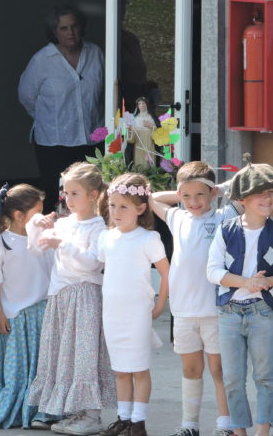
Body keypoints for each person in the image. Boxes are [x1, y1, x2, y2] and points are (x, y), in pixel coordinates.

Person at [26, 162, 116, 435]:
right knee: (65, 355)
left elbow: (92, 263)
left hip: (84, 295)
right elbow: (35, 249)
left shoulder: (99, 227)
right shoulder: (63, 223)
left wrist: (62, 244)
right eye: (66, 193)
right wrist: (35, 225)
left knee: (84, 355)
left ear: (93, 195)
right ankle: (73, 411)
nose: (68, 199)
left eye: (75, 193)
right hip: (61, 296)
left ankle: (91, 414)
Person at [151, 162, 238, 436]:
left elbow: (244, 185)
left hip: (216, 309)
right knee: (190, 369)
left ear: (213, 194)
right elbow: (152, 198)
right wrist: (181, 192)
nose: (193, 202)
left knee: (219, 369)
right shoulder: (178, 218)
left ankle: (226, 424)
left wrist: (220, 188)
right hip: (184, 310)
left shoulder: (225, 216)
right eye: (186, 196)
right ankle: (190, 424)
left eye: (200, 195)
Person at [97, 173, 170, 436]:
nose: (116, 211)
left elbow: (165, 271)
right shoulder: (106, 237)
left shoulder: (147, 239)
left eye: (124, 206)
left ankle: (138, 421)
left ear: (140, 208)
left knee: (138, 367)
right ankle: (123, 418)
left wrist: (161, 304)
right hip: (112, 313)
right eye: (112, 205)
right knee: (120, 369)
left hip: (137, 312)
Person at [206, 161, 273, 436]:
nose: (267, 198)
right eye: (260, 193)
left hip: (263, 312)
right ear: (242, 199)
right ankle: (239, 431)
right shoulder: (226, 229)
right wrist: (247, 282)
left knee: (265, 377)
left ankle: (262, 431)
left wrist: (265, 282)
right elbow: (212, 271)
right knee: (232, 378)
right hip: (229, 313)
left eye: (270, 192)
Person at [0, 184, 56, 429]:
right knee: (15, 373)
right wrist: (0, 315)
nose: (43, 217)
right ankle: (13, 412)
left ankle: (39, 413)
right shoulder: (1, 243)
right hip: (13, 317)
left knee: (40, 369)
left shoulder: (44, 240)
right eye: (38, 212)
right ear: (18, 215)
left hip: (41, 314)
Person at [18, 4, 105, 213]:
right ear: (54, 32)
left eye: (74, 27)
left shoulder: (95, 53)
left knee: (91, 194)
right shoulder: (42, 60)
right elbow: (26, 97)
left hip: (90, 138)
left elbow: (107, 91)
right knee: (56, 196)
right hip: (53, 142)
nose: (70, 33)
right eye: (64, 28)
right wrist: (50, 119)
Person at [127, 96, 158, 167]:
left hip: (148, 142)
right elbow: (131, 139)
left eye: (143, 103)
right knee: (139, 162)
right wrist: (129, 130)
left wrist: (151, 126)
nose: (141, 105)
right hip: (139, 144)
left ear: (147, 105)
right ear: (137, 106)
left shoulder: (151, 117)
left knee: (149, 161)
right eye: (139, 104)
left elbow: (156, 133)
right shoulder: (135, 118)